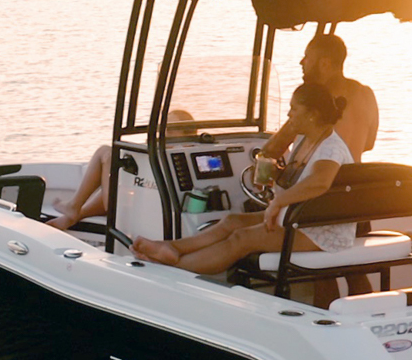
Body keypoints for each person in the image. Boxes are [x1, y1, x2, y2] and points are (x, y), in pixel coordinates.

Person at [127, 81, 355, 274]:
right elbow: (303, 178)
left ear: (313, 114)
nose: (289, 115)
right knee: (231, 221)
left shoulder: (330, 148)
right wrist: (277, 174)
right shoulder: (306, 139)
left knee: (242, 238)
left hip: (320, 232)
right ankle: (173, 248)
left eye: (294, 109)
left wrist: (278, 202)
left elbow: (320, 182)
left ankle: (173, 268)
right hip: (298, 218)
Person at [48, 108, 192, 233]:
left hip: (139, 210)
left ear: (187, 132)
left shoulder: (164, 151)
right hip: (147, 204)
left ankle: (74, 206)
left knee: (105, 152)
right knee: (116, 176)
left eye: (170, 128)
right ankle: (75, 215)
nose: (164, 132)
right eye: (163, 127)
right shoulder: (183, 152)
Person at [261, 31, 379, 162]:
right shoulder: (366, 94)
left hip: (319, 173)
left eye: (307, 57)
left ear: (324, 64)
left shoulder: (315, 99)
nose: (301, 62)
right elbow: (369, 144)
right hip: (352, 174)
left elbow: (273, 149)